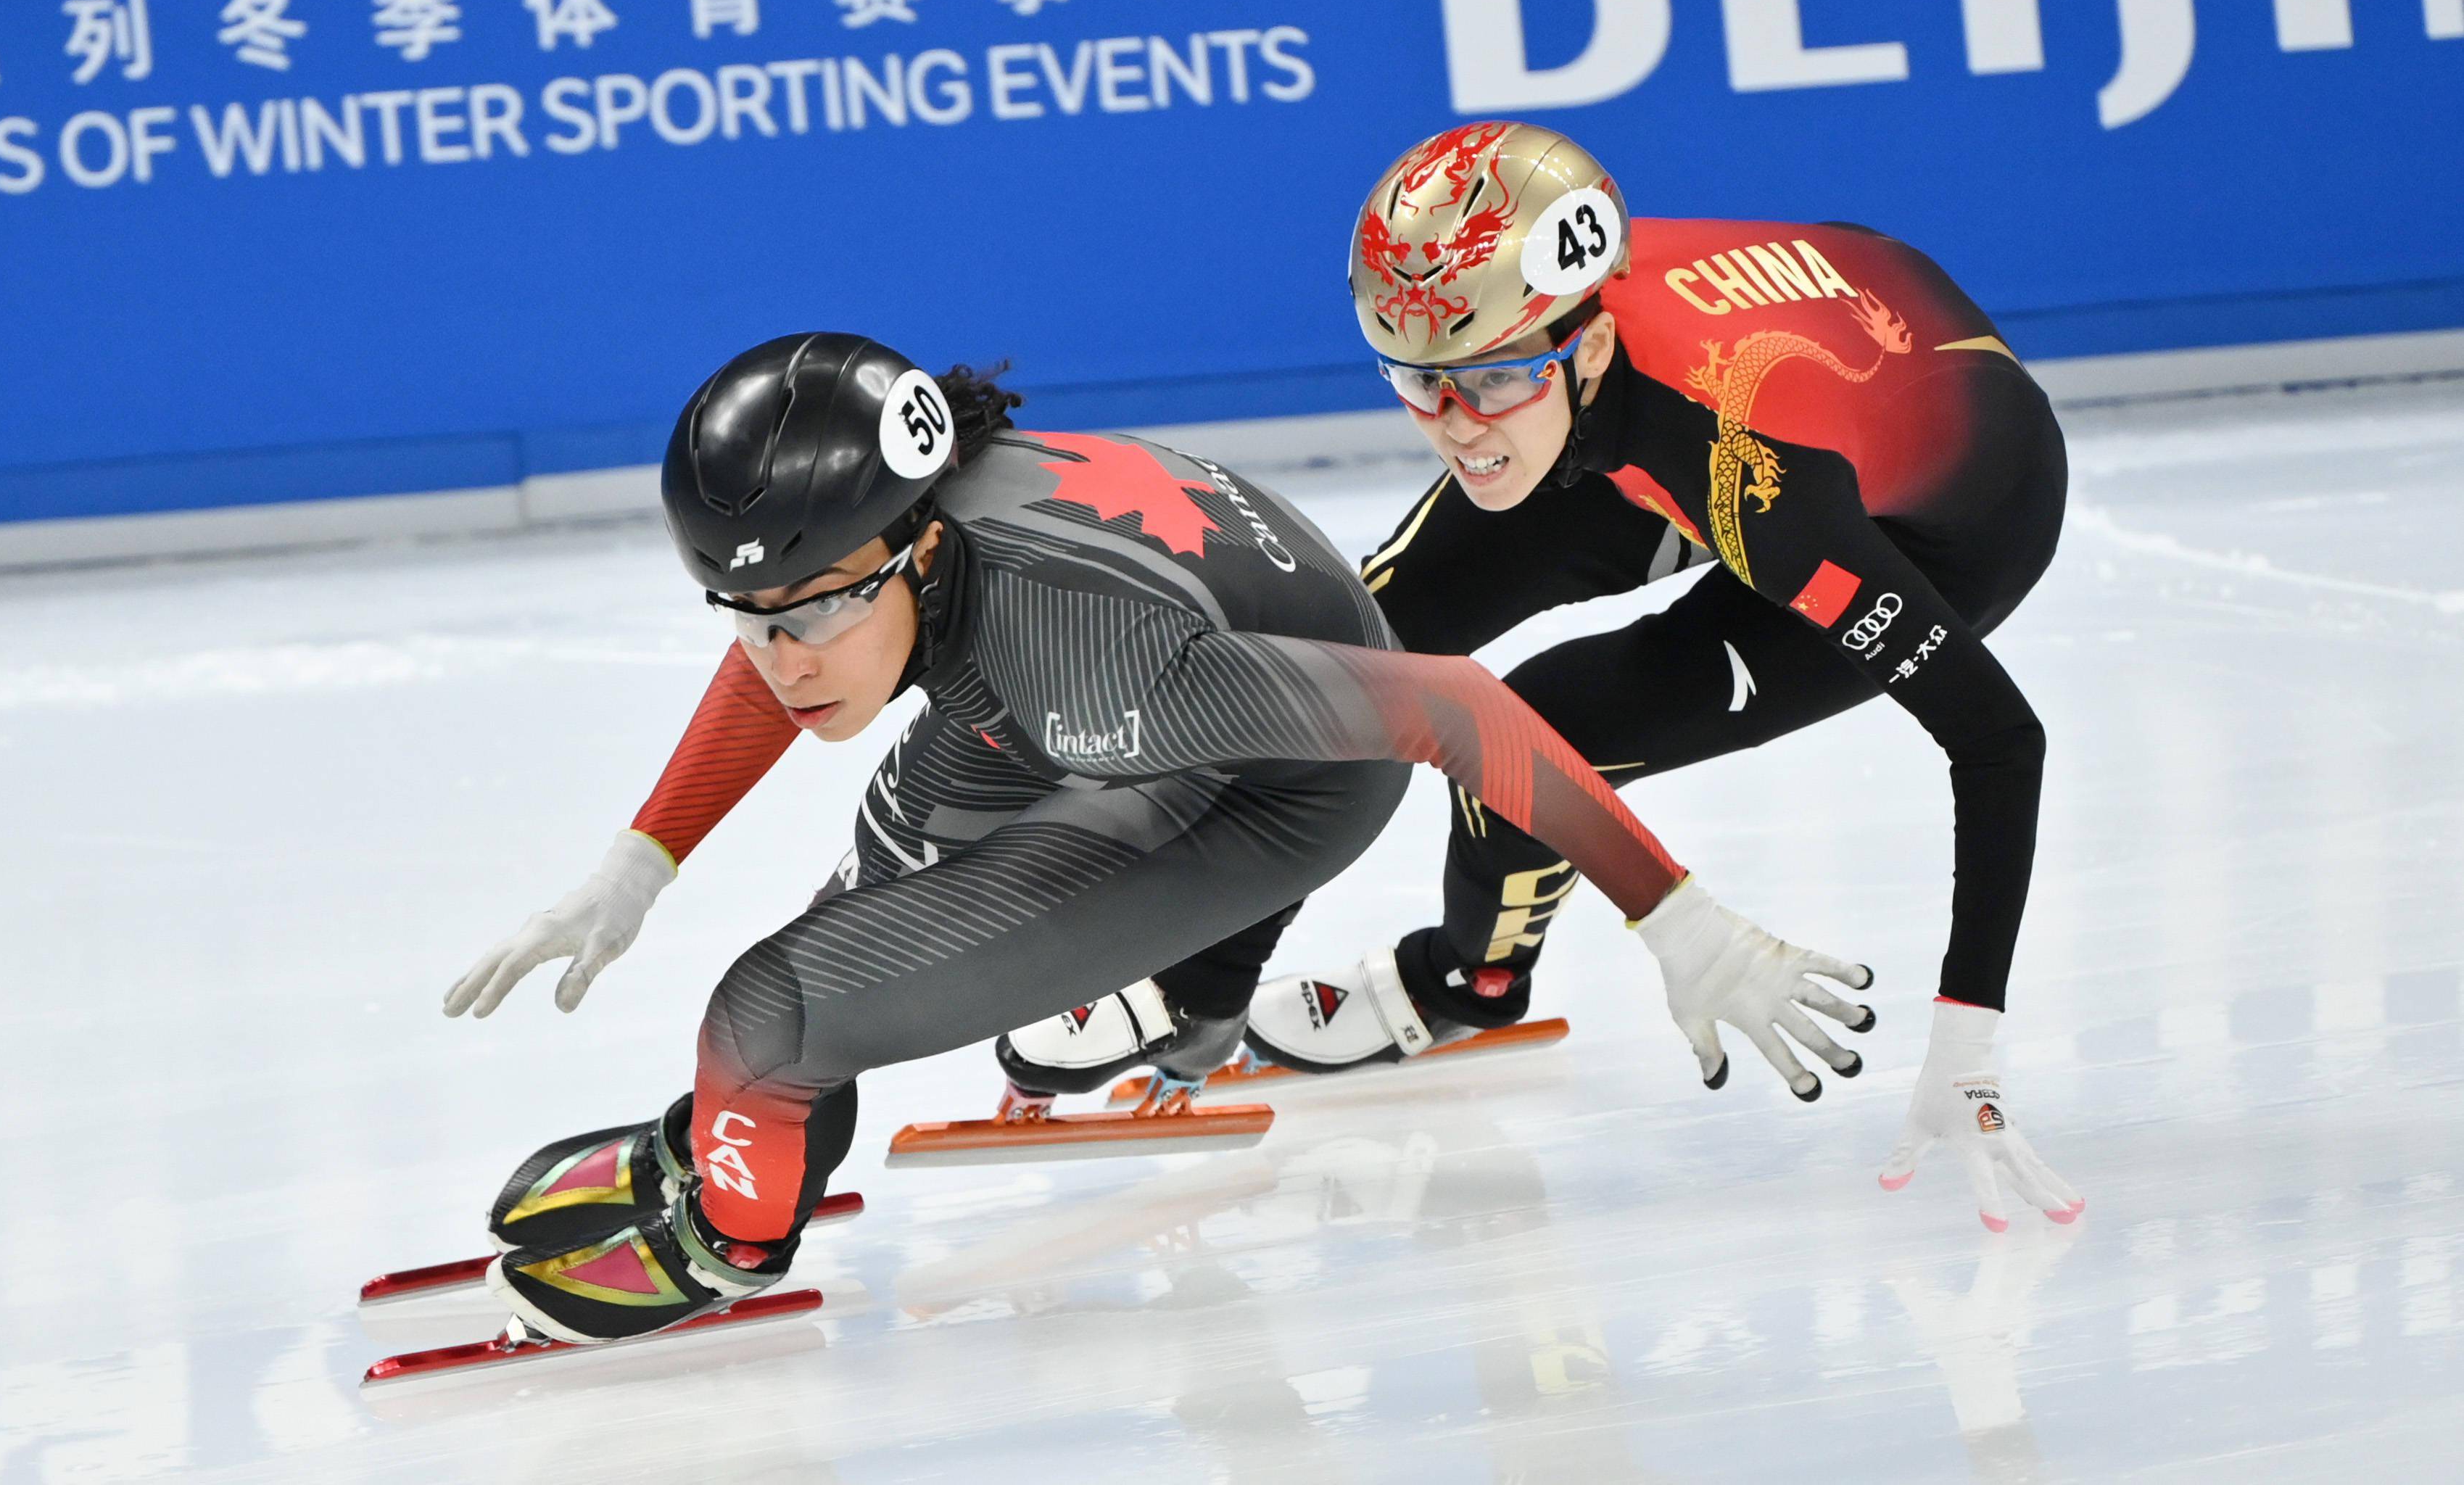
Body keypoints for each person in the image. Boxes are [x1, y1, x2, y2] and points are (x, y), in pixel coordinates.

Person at [442, 332, 1872, 1345]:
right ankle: (753, 1139)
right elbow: (790, 620)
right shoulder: (932, 539)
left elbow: (1459, 706)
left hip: (1259, 782)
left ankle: (735, 1238)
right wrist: (643, 856)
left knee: (768, 1008)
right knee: (869, 865)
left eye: (817, 607)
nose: (783, 653)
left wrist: (1676, 918)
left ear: (915, 547)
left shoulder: (1102, 664)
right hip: (1102, 688)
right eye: (748, 615)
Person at [1234, 119, 2080, 1233]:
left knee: (1540, 730)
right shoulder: (1530, 305)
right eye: (1418, 384)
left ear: (1578, 347)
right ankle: (1191, 970)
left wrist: (1968, 1038)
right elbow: (1321, 675)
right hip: (1720, 376)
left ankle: (1464, 982)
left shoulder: (1758, 486)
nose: (1453, 430)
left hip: (1946, 515)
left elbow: (2000, 738)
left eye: (1483, 384)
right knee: (1355, 637)